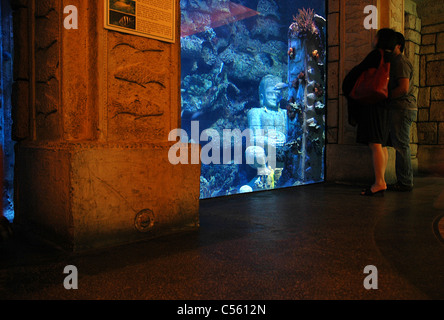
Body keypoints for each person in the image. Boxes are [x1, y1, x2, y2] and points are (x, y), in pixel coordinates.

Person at [342, 28, 397, 196]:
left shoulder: (376, 55)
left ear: (381, 39)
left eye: (376, 36)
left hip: (374, 103)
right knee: (383, 143)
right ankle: (382, 180)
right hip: (385, 105)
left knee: (375, 143)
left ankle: (379, 182)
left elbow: (359, 72)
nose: (373, 39)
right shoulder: (392, 58)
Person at [387, 32, 417, 192]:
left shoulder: (400, 62)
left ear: (398, 45)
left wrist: (386, 97)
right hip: (403, 107)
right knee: (401, 144)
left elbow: (403, 88)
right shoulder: (398, 61)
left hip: (402, 107)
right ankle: (404, 180)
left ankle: (405, 182)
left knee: (401, 145)